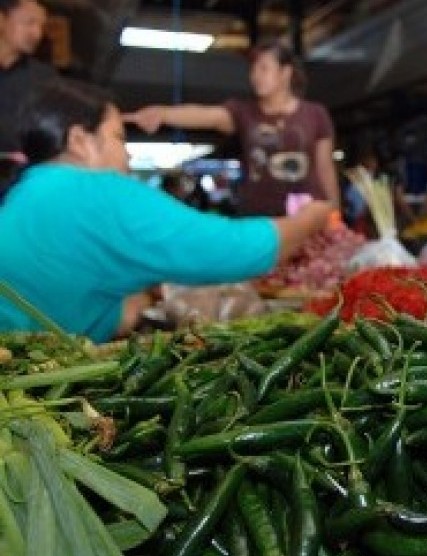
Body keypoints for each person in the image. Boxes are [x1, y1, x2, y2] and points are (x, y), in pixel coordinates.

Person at [0, 78, 332, 342]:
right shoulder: (98, 192)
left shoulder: (25, 192)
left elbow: (68, 299)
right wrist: (310, 219)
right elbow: (237, 250)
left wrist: (137, 302)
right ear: (79, 141)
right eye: (119, 139)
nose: (127, 157)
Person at [125, 39, 339, 217]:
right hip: (259, 221)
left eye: (264, 67)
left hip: (307, 217)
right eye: (253, 68)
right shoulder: (243, 112)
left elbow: (325, 169)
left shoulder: (315, 114)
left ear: (286, 72)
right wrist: (163, 114)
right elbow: (205, 115)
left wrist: (335, 212)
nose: (255, 75)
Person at [0, 0, 56, 192]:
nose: (37, 33)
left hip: (22, 184)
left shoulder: (45, 77)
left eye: (41, 26)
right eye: (29, 23)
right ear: (1, 19)